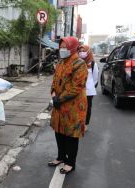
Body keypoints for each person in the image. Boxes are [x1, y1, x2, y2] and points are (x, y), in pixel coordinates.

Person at [48, 36, 88, 174]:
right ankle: (60, 157)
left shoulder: (79, 64)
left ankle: (70, 163)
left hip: (73, 106)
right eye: (61, 47)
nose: (62, 49)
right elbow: (54, 81)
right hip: (59, 104)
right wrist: (53, 95)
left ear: (72, 48)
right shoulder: (61, 63)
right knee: (59, 131)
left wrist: (60, 99)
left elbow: (76, 86)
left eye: (65, 47)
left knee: (71, 135)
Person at [78, 45, 99, 131]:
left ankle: (85, 124)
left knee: (87, 108)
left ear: (88, 52)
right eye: (80, 50)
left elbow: (95, 78)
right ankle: (78, 123)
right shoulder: (77, 62)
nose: (81, 52)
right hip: (78, 90)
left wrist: (89, 87)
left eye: (84, 50)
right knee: (78, 107)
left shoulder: (93, 64)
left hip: (88, 91)